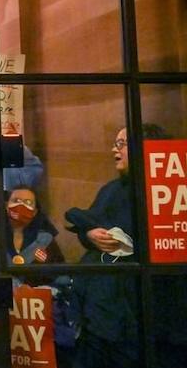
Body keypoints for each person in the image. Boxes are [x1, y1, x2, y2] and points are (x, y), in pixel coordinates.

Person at [65, 124, 168, 368]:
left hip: (135, 310)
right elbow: (90, 226)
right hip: (98, 309)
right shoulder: (111, 189)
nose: (114, 149)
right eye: (115, 143)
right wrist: (89, 234)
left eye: (121, 143)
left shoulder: (163, 190)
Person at [5, 187, 74, 366]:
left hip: (38, 319)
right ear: (6, 205)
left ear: (35, 212)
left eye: (28, 203)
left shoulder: (45, 241)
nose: (21, 206)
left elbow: (62, 277)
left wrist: (47, 290)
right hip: (3, 318)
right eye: (16, 201)